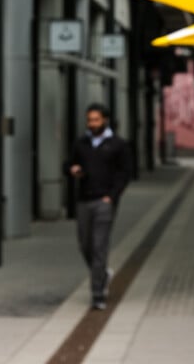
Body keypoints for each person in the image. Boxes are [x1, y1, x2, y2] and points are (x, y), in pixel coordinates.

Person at [68, 103, 132, 310]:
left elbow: (125, 173)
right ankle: (103, 274)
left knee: (99, 246)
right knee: (84, 244)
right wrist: (72, 169)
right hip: (84, 201)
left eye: (96, 120)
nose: (92, 124)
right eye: (89, 120)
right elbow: (68, 163)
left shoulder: (118, 145)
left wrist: (111, 197)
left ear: (105, 120)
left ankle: (97, 294)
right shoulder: (81, 143)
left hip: (104, 202)